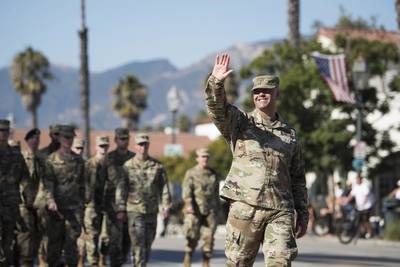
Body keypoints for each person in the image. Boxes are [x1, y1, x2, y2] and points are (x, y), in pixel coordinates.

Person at [205, 54, 308, 266]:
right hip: (246, 207)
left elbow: (298, 177)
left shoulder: (289, 135)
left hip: (280, 210)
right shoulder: (241, 123)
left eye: (266, 91)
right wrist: (216, 82)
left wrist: (303, 212)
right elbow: (218, 110)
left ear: (276, 93)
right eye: (257, 92)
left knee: (281, 262)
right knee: (237, 263)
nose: (261, 94)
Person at [119, 133, 171, 267]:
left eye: (145, 144)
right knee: (138, 243)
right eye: (140, 144)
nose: (143, 147)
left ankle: (140, 262)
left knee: (147, 244)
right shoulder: (128, 166)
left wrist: (165, 206)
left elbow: (164, 187)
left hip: (151, 210)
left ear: (148, 145)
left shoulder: (157, 166)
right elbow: (122, 188)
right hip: (134, 210)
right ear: (136, 146)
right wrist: (120, 209)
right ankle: (138, 263)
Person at [44, 125, 85, 266]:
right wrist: (50, 201)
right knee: (54, 246)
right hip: (56, 210)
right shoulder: (51, 160)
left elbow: (83, 185)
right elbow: (48, 184)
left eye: (71, 137)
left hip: (74, 210)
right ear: (60, 138)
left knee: (72, 246)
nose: (68, 140)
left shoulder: (79, 161)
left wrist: (84, 204)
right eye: (65, 137)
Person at [0, 119, 34, 266]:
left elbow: (25, 178)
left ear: (9, 133)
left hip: (10, 205)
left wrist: (28, 197)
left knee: (8, 239)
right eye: (0, 131)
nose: (2, 134)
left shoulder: (15, 155)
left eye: (5, 131)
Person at [101, 127, 135, 266]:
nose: (123, 141)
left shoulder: (133, 158)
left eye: (126, 138)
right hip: (112, 206)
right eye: (121, 138)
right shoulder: (108, 158)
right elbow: (100, 181)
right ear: (115, 140)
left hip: (131, 204)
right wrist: (100, 204)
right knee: (114, 241)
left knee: (127, 239)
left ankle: (122, 259)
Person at [15, 129, 49, 267]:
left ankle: (40, 261)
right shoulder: (20, 158)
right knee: (25, 236)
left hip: (39, 203)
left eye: (37, 138)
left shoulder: (43, 159)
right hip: (24, 203)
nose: (35, 141)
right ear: (27, 140)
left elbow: (46, 180)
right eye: (33, 138)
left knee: (40, 235)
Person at [182, 148, 219, 267]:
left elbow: (216, 193)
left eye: (207, 157)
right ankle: (187, 260)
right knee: (192, 238)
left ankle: (206, 263)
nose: (205, 159)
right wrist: (188, 206)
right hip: (195, 210)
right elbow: (186, 192)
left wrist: (217, 210)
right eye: (202, 156)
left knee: (209, 238)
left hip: (210, 211)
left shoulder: (213, 173)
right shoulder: (191, 173)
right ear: (197, 158)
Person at [83, 136, 110, 267]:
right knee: (92, 237)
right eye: (101, 146)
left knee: (106, 237)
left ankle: (103, 259)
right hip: (91, 206)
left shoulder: (112, 165)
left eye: (105, 146)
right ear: (96, 147)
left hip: (108, 206)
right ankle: (93, 263)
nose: (103, 148)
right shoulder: (88, 164)